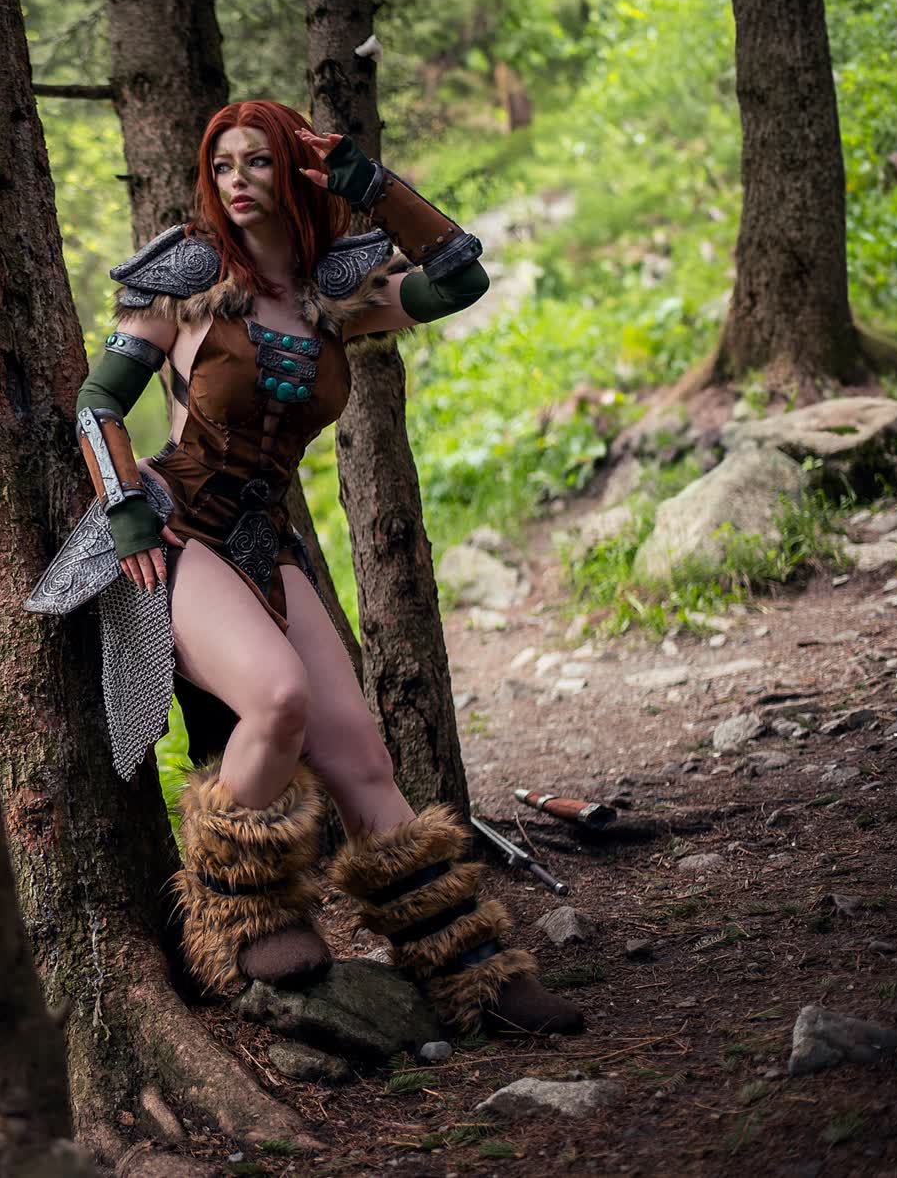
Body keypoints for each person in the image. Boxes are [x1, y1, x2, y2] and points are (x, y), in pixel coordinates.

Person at [29, 99, 582, 1037]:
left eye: (258, 162)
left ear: (295, 170)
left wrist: (376, 188)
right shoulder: (185, 276)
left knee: (361, 757)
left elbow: (460, 278)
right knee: (278, 698)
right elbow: (97, 403)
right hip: (175, 530)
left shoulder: (338, 287)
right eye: (223, 165)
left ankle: (472, 971)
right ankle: (239, 912)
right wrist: (126, 516)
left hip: (264, 538)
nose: (237, 181)